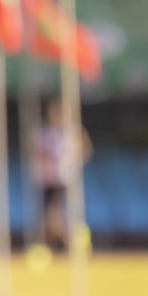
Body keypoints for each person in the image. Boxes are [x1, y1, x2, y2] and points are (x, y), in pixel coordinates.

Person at [33, 99, 91, 251]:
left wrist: (74, 160)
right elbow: (34, 154)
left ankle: (72, 240)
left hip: (65, 180)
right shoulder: (43, 133)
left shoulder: (73, 132)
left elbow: (85, 150)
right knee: (49, 218)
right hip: (48, 181)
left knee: (59, 216)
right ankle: (62, 242)